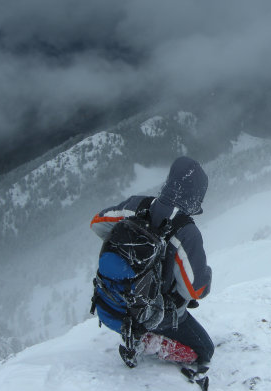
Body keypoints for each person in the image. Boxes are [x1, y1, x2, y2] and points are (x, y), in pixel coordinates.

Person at [90, 156, 214, 365]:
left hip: (112, 301)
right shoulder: (186, 232)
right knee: (204, 351)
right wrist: (206, 274)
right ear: (196, 196)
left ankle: (135, 329)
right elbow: (195, 291)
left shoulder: (137, 205)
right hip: (151, 314)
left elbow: (97, 224)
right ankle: (145, 340)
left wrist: (131, 253)